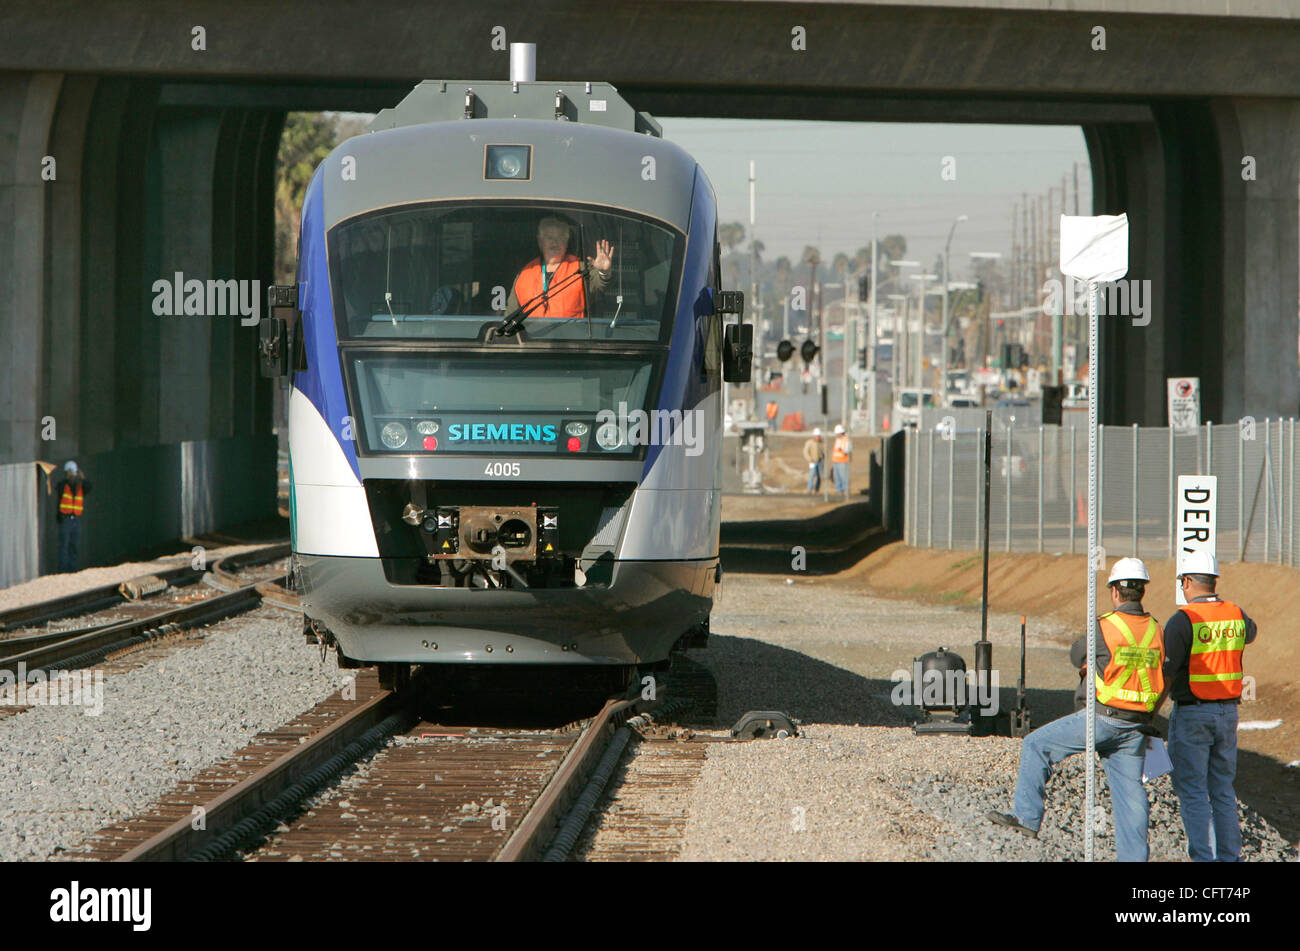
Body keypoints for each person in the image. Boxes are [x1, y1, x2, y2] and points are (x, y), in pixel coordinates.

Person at [988, 557, 1164, 861]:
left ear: (1114, 592)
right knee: (1131, 799)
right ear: (1142, 592)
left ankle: (1027, 818)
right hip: (1135, 726)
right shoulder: (1155, 629)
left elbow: (1075, 654)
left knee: (1035, 744)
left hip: (1102, 719)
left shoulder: (1106, 626)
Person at [1161, 551, 1256, 862]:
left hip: (1193, 714)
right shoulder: (1236, 614)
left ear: (1188, 581)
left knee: (1192, 791)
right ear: (1214, 581)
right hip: (1228, 714)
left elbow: (1167, 671)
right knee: (1223, 791)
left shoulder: (1182, 620)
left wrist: (1149, 714)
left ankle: (1204, 858)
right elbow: (1249, 633)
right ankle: (1230, 858)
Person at [506, 216, 613, 318]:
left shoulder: (581, 268)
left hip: (570, 336)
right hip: (532, 337)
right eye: (549, 237)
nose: (555, 242)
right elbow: (510, 316)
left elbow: (601, 284)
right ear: (540, 241)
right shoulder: (525, 273)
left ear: (566, 242)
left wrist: (604, 271)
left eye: (560, 238)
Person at [55, 460, 91, 572]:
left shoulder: (80, 487)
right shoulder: (63, 485)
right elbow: (59, 488)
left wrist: (83, 478)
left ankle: (72, 570)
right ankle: (62, 571)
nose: (71, 476)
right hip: (65, 519)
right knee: (64, 547)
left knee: (74, 546)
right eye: (69, 473)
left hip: (76, 520)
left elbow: (89, 487)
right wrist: (69, 479)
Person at [831, 424, 852, 496]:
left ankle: (845, 490)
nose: (836, 435)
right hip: (836, 461)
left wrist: (842, 450)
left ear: (840, 433)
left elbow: (848, 450)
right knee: (837, 477)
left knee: (844, 476)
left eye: (837, 433)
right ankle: (838, 490)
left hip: (843, 461)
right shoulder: (837, 440)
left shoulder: (846, 440)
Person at [803, 427, 824, 493]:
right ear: (814, 436)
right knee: (812, 475)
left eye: (819, 436)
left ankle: (817, 489)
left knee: (819, 476)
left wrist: (823, 457)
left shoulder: (821, 443)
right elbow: (805, 452)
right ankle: (809, 489)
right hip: (813, 462)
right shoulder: (809, 443)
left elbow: (823, 451)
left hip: (820, 461)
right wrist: (809, 459)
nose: (818, 437)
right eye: (817, 436)